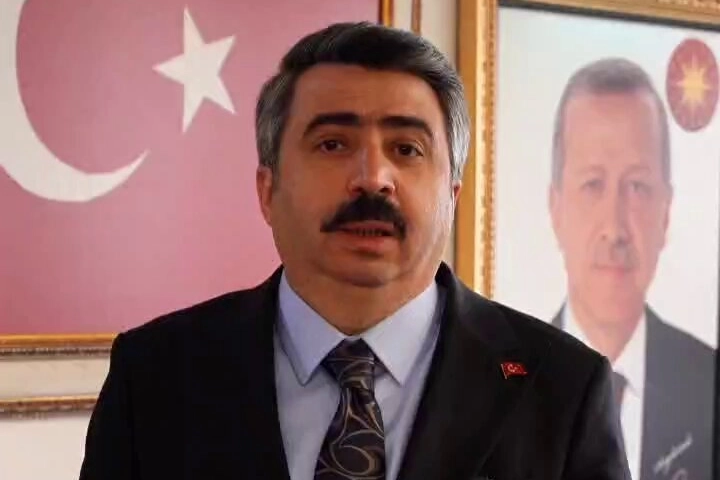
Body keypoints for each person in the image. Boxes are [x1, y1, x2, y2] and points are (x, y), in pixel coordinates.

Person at [79, 22, 630, 480]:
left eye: (406, 148)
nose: (373, 178)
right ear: (268, 191)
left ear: (452, 196)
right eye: (333, 144)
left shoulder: (561, 388)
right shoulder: (155, 376)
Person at [547, 58, 715, 480]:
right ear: (556, 208)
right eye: (593, 184)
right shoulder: (505, 385)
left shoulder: (709, 385)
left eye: (638, 187)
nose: (615, 228)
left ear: (666, 212)